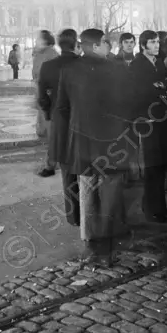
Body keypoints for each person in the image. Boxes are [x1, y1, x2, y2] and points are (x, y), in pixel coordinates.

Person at [52, 28, 134, 267]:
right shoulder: (118, 70)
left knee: (87, 193)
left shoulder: (68, 71)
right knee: (109, 197)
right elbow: (130, 106)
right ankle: (106, 249)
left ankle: (91, 245)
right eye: (106, 43)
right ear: (98, 45)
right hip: (114, 144)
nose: (108, 47)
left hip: (82, 143)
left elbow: (61, 109)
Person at [129, 30, 167, 222]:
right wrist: (157, 88)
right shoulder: (137, 65)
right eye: (152, 42)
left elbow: (165, 86)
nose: (157, 46)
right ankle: (152, 208)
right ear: (144, 44)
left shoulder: (159, 62)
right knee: (152, 165)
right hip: (147, 121)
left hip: (161, 118)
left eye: (157, 42)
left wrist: (160, 87)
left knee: (161, 164)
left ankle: (159, 205)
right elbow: (138, 93)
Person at [37, 29, 81, 179]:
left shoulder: (48, 66)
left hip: (58, 114)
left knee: (58, 148)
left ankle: (52, 167)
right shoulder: (84, 65)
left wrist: (48, 111)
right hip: (82, 117)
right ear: (75, 44)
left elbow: (42, 95)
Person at [32, 30, 57, 139]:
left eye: (39, 38)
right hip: (40, 88)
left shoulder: (52, 53)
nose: (37, 41)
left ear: (46, 41)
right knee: (41, 110)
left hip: (48, 90)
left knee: (46, 112)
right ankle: (42, 132)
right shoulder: (39, 53)